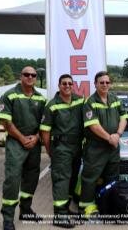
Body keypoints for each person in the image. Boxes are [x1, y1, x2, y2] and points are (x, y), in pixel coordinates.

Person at [0, 66, 46, 230]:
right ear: (21, 76)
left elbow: (45, 123)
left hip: (34, 141)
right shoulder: (9, 95)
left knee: (32, 177)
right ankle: (8, 218)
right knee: (12, 179)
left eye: (33, 75)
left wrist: (37, 137)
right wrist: (22, 138)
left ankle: (25, 210)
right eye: (27, 74)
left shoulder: (40, 98)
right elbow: (6, 123)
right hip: (16, 142)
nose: (30, 77)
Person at [78, 71, 128, 217]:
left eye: (107, 82)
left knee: (112, 178)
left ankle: (109, 205)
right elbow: (93, 125)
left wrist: (118, 134)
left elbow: (124, 117)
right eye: (102, 82)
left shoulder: (115, 99)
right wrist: (109, 138)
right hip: (96, 147)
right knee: (90, 178)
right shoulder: (90, 102)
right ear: (95, 84)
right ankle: (86, 208)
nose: (105, 85)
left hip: (113, 147)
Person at [40, 74, 84, 228]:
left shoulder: (80, 100)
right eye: (64, 83)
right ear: (59, 86)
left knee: (72, 179)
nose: (67, 86)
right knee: (61, 180)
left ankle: (65, 209)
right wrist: (50, 150)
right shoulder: (51, 105)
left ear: (73, 86)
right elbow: (45, 131)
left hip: (77, 147)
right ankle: (59, 216)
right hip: (61, 148)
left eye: (70, 84)